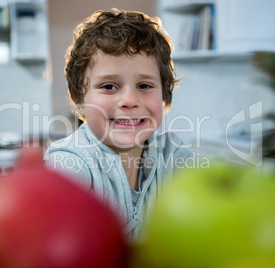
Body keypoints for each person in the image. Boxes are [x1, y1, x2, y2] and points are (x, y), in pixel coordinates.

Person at [45, 9, 194, 240]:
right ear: (79, 100)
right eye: (109, 86)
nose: (130, 101)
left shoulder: (175, 158)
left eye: (144, 86)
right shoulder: (69, 164)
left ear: (164, 94)